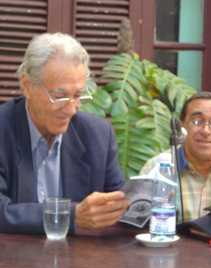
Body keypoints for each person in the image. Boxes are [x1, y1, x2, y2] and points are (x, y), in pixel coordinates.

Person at [0, 32, 128, 235]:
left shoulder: (97, 135)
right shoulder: (3, 128)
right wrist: (70, 216)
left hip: (80, 262)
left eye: (77, 95)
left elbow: (118, 202)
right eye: (59, 96)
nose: (71, 109)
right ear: (26, 86)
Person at [141, 91, 211, 222]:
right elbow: (137, 226)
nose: (205, 131)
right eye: (197, 121)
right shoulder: (157, 168)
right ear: (183, 126)